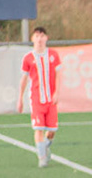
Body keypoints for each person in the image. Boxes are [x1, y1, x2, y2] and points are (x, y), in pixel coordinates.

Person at [18, 26, 61, 167]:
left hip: (51, 100)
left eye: (42, 36)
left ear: (46, 38)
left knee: (52, 130)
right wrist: (20, 98)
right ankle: (42, 158)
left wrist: (57, 92)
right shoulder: (28, 58)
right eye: (37, 36)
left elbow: (58, 74)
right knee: (39, 128)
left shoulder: (53, 55)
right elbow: (24, 79)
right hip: (36, 99)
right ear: (32, 39)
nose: (40, 39)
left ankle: (45, 146)